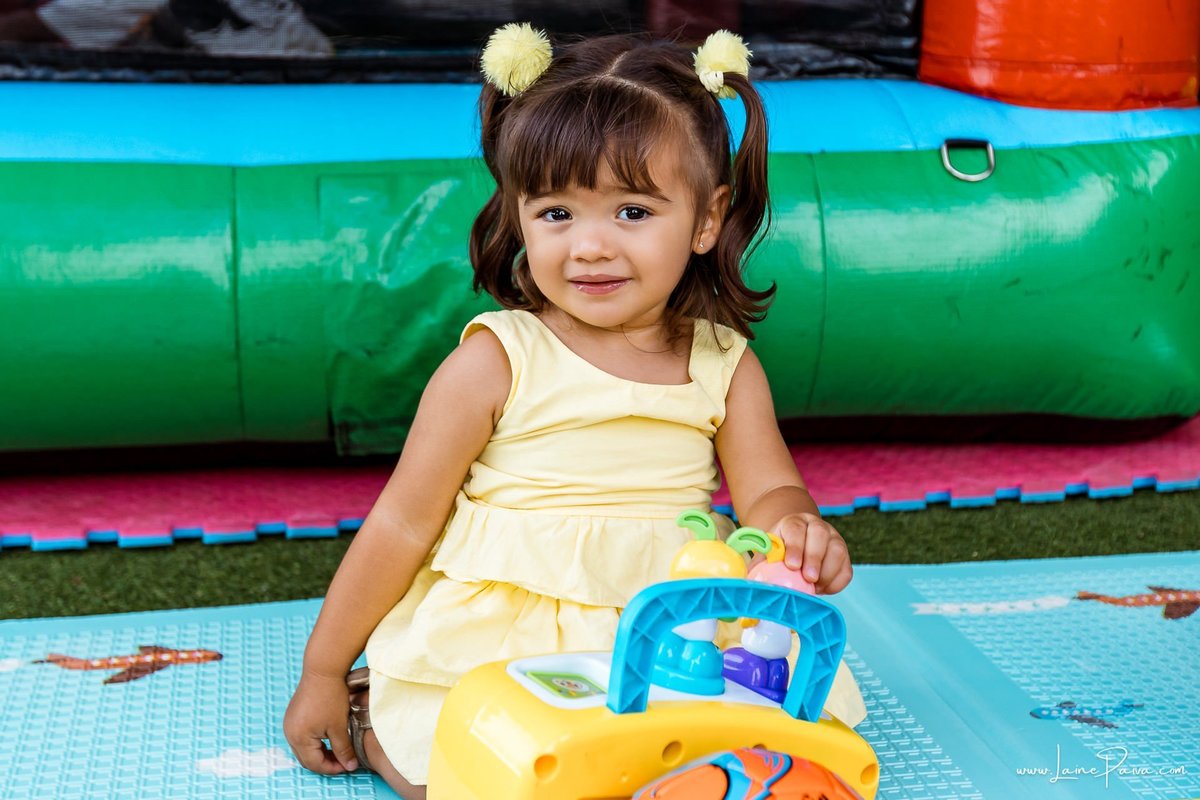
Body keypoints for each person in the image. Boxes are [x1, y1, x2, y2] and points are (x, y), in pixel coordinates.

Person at [284, 23, 863, 798]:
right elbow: (400, 524)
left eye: (631, 212)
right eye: (557, 213)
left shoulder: (723, 363)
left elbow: (769, 492)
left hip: (667, 623)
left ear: (706, 217)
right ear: (517, 214)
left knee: (760, 743)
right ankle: (373, 716)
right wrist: (322, 669)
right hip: (503, 627)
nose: (589, 246)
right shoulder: (494, 359)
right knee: (472, 775)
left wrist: (799, 527)